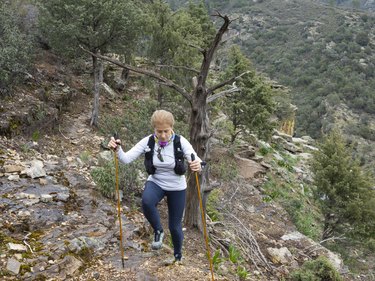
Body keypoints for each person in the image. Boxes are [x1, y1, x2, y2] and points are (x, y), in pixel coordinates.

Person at [108, 109, 202, 263]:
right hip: (156, 181)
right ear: (154, 129)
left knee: (174, 226)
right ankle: (158, 230)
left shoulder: (180, 141)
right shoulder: (148, 141)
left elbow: (196, 159)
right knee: (146, 201)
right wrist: (117, 149)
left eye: (166, 131)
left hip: (177, 186)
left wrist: (198, 165)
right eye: (159, 131)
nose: (163, 135)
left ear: (172, 127)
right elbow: (126, 158)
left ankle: (178, 257)